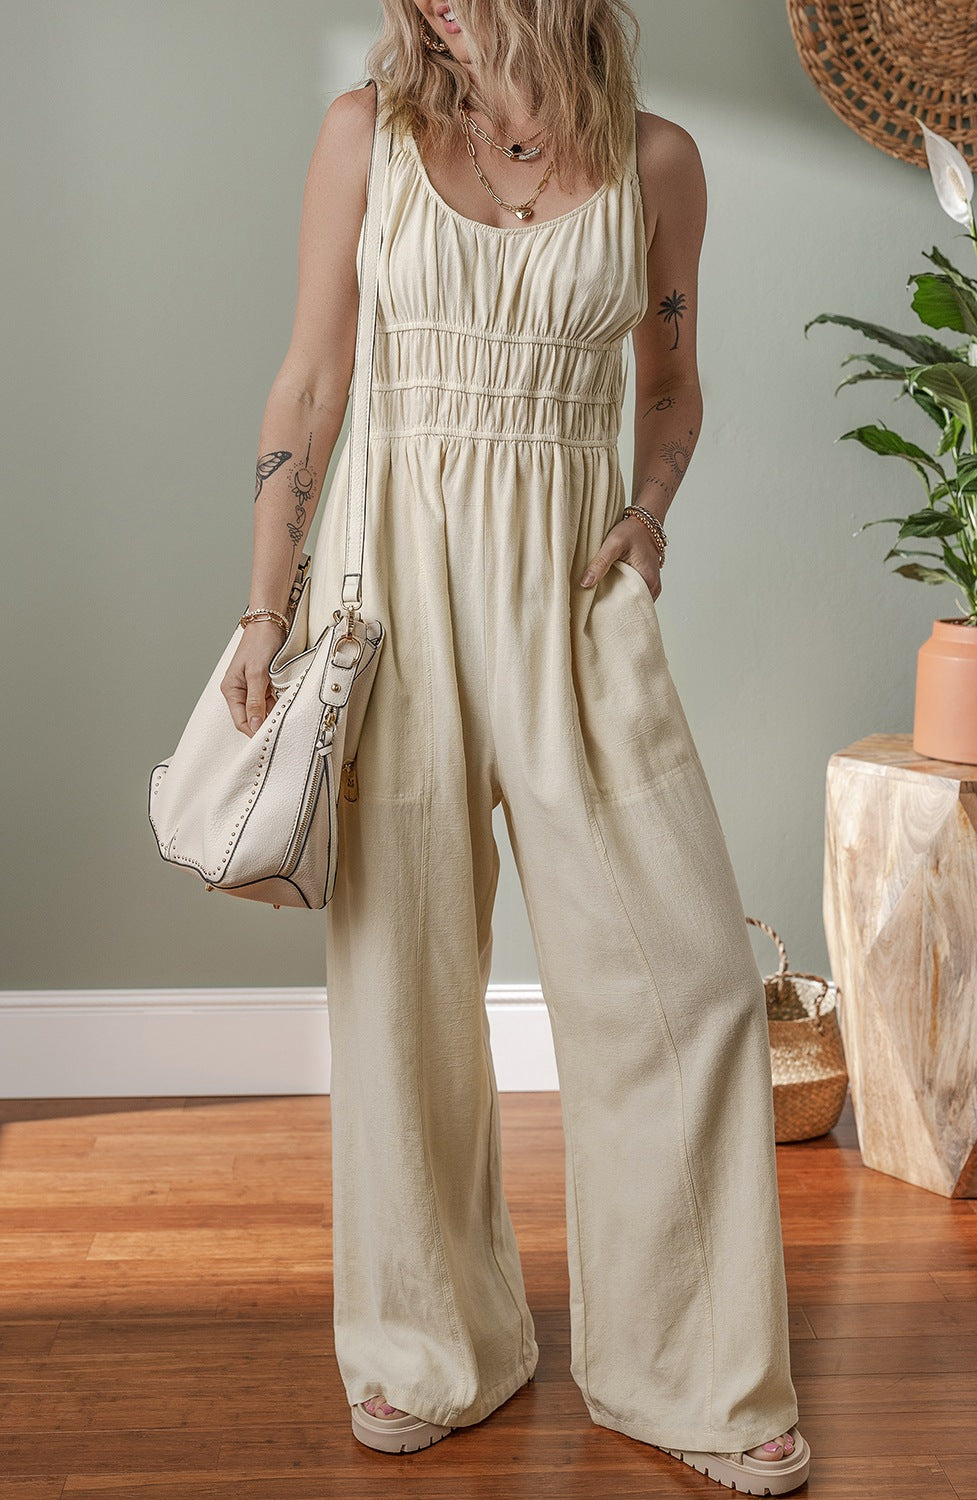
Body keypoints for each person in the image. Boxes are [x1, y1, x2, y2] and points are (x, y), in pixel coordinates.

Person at [219, 1, 810, 1493]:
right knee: (402, 990)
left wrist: (648, 514)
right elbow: (311, 384)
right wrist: (263, 610)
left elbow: (670, 388)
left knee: (685, 984)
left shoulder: (658, 163)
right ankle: (429, 1347)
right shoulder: (366, 137)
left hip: (570, 597)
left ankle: (691, 1372)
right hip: (390, 596)